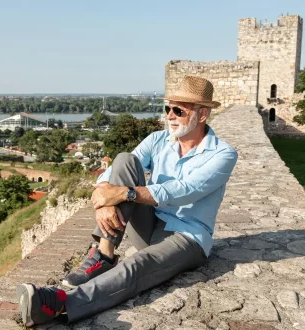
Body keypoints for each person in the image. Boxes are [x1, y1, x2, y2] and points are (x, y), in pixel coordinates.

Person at [16, 76, 238, 327]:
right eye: (168, 108)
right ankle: (104, 255)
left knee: (139, 264)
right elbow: (115, 171)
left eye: (178, 110)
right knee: (124, 160)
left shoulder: (223, 154)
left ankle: (60, 304)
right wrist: (104, 195)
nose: (170, 116)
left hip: (188, 236)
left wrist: (124, 194)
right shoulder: (158, 140)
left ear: (202, 114)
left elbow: (185, 189)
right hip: (150, 223)